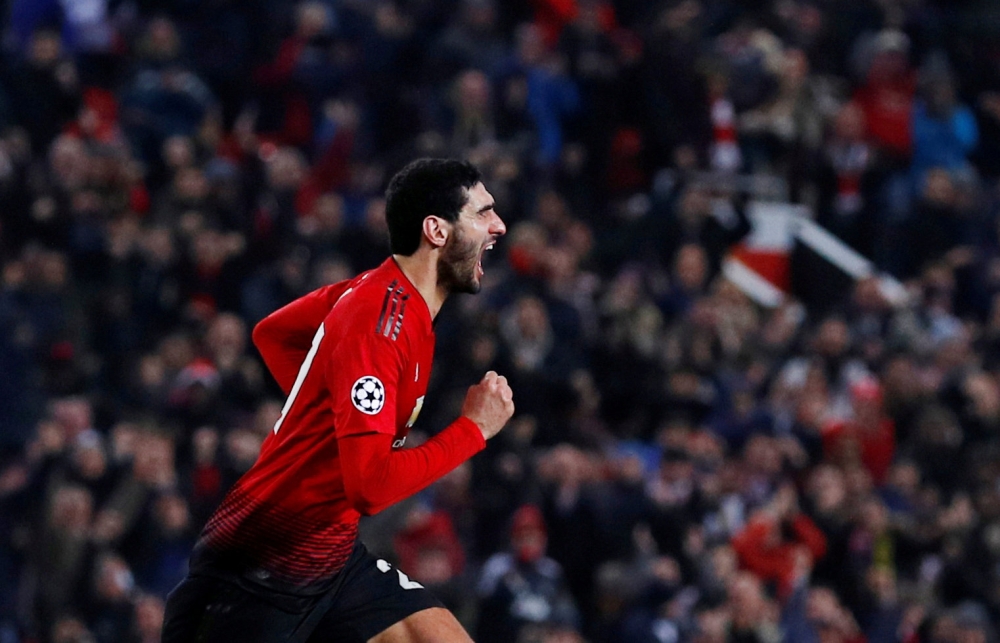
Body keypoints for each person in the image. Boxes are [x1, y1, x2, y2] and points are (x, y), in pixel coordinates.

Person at [161, 158, 514, 643]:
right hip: (259, 568)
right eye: (482, 213)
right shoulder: (379, 324)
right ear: (436, 230)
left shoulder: (379, 295)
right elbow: (368, 486)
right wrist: (473, 430)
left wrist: (330, 416)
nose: (499, 226)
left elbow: (274, 334)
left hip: (331, 550)